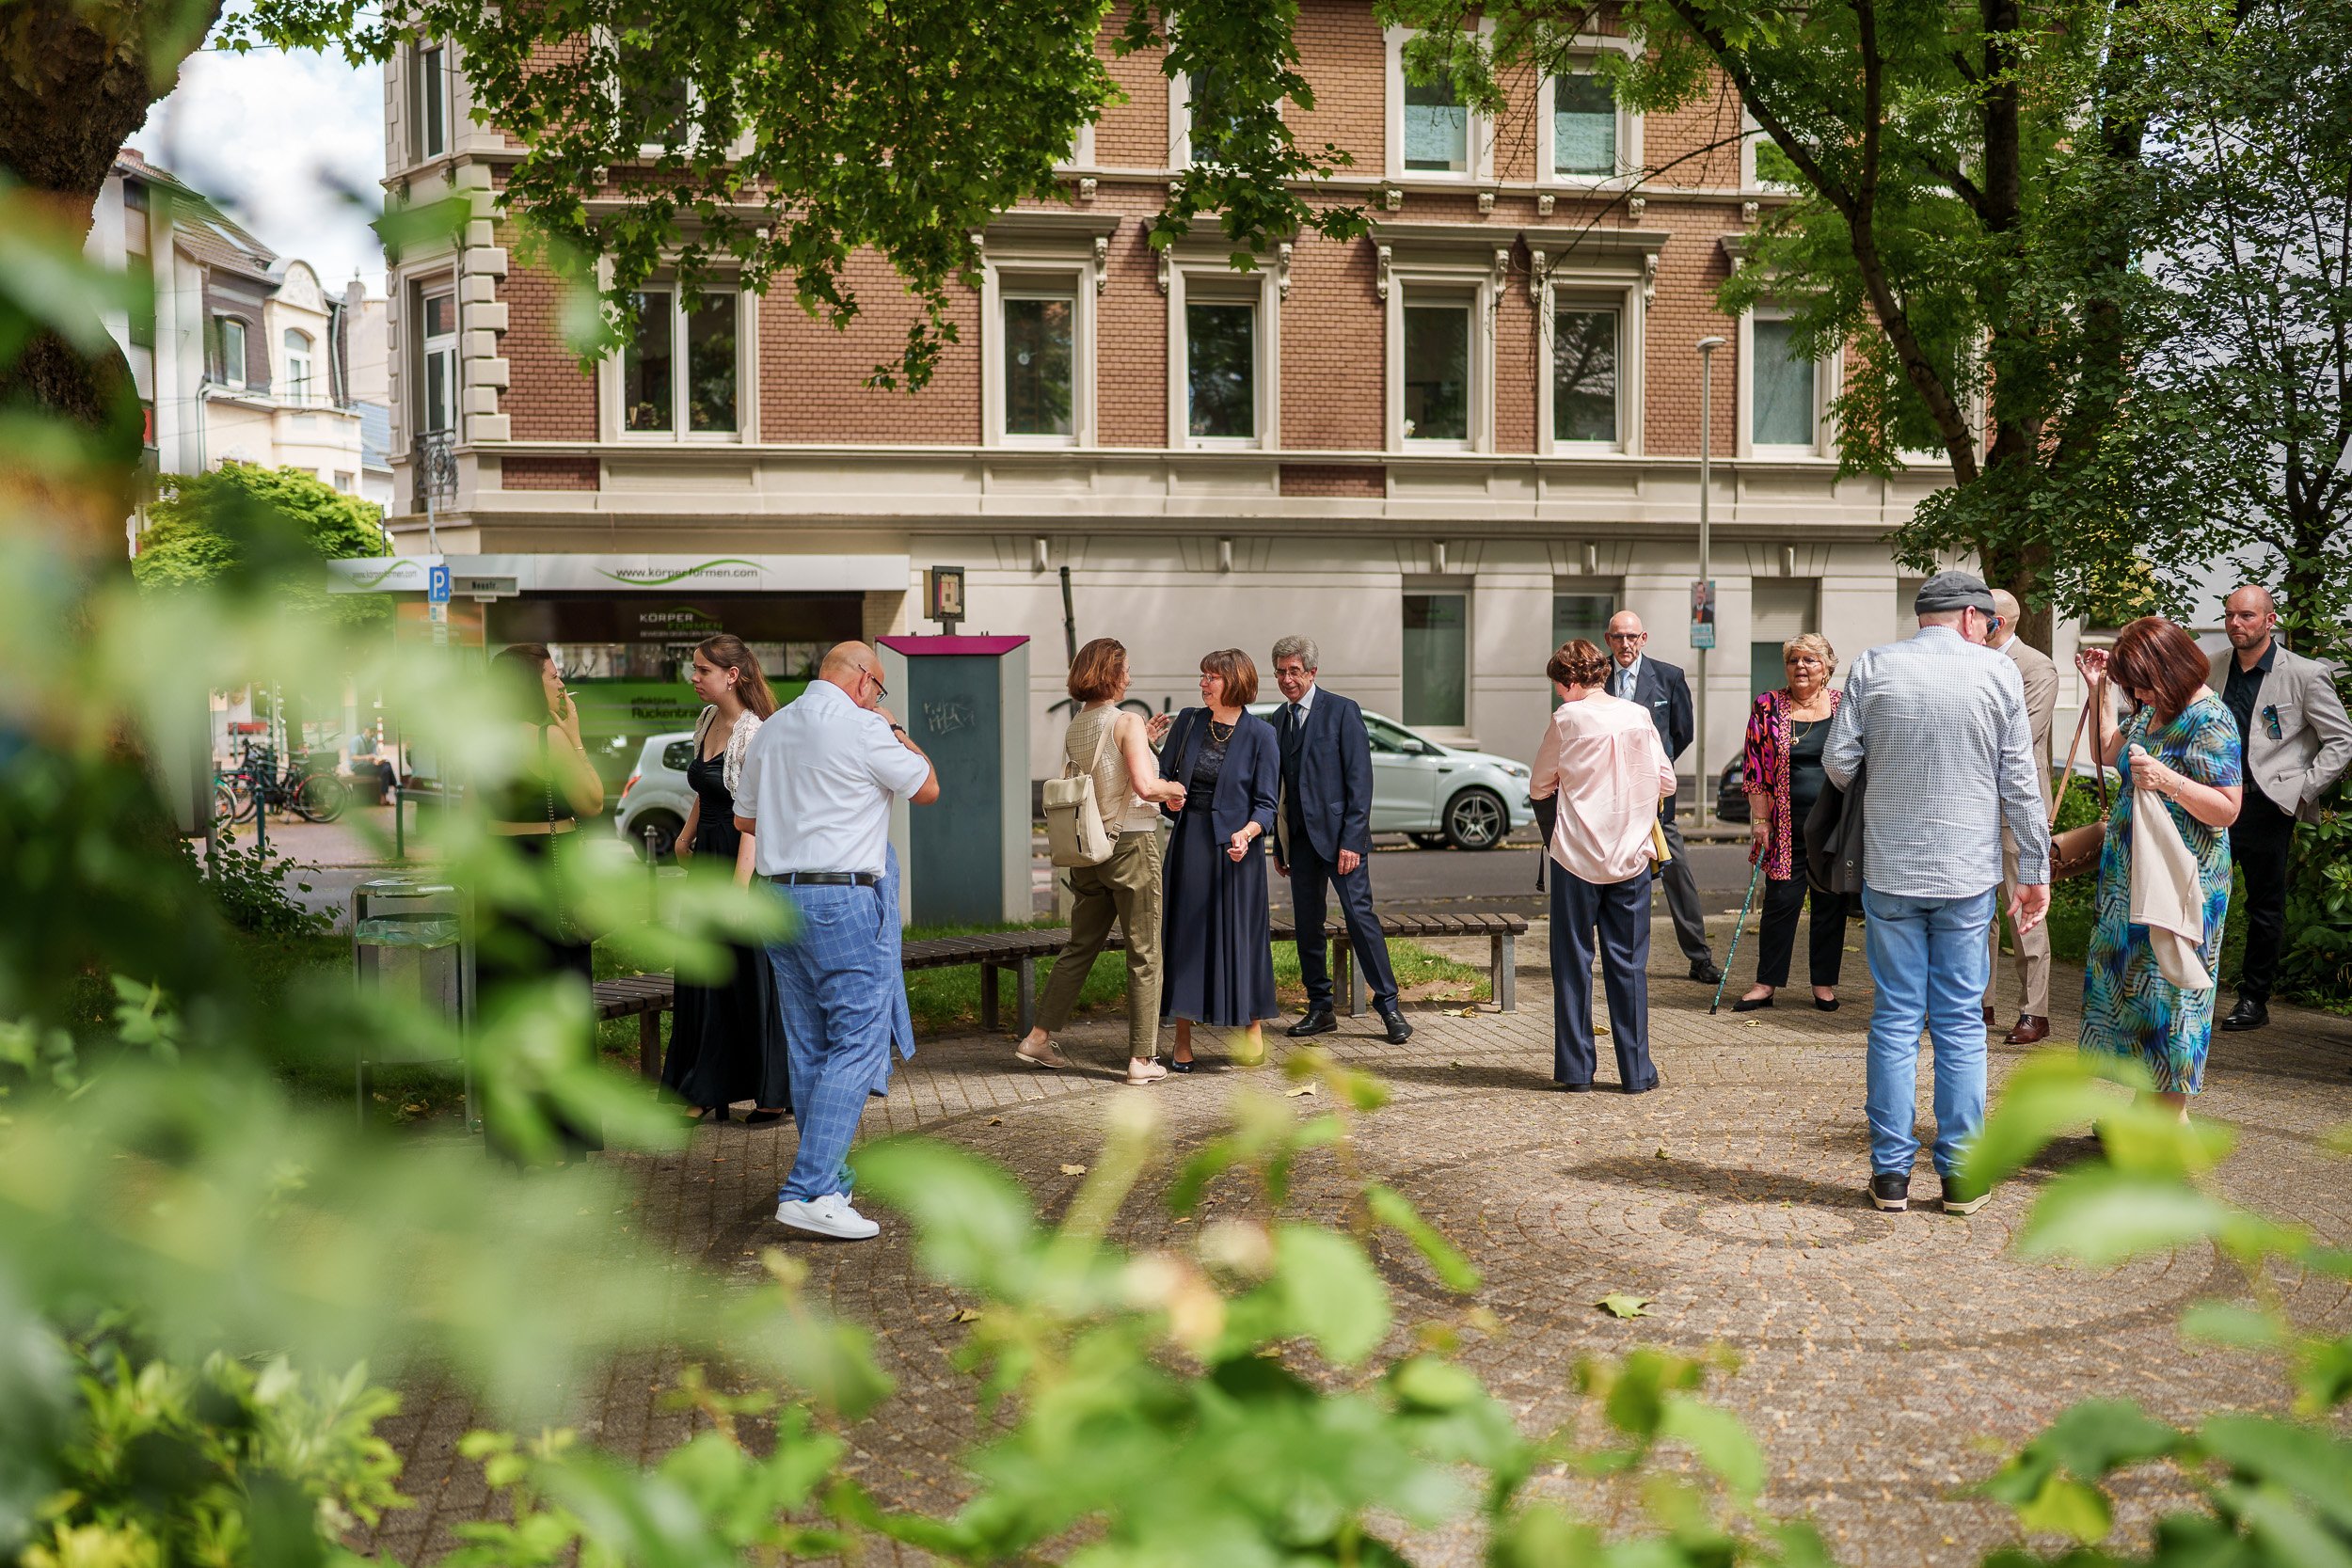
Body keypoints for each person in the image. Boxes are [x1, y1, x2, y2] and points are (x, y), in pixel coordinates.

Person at [1822, 571, 2048, 1216]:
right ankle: (1959, 1178)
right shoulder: (1995, 674)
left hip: (1891, 868)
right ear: (1974, 618)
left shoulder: (1873, 665)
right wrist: (2033, 869)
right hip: (1967, 873)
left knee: (1894, 1020)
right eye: (1993, 624)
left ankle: (1890, 1177)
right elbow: (2020, 781)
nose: (1993, 632)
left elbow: (1839, 764)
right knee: (1959, 1026)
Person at [735, 641, 940, 1242]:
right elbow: (927, 787)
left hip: (777, 896)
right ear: (864, 683)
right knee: (857, 1039)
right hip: (841, 899)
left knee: (811, 1048)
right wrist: (895, 728)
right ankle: (810, 1189)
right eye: (880, 690)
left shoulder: (772, 730)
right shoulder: (863, 727)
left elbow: (746, 820)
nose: (879, 699)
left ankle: (827, 1182)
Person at [2075, 618, 2244, 1117]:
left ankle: (2165, 1124)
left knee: (2174, 997)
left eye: (2141, 684)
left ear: (2169, 670)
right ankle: (2148, 1112)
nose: (2138, 695)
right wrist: (2099, 689)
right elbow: (2109, 752)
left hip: (2180, 879)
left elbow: (2227, 808)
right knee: (2135, 995)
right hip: (2130, 879)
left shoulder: (2208, 718)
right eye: (2132, 687)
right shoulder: (2153, 710)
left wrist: (2169, 780)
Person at [1013, 638, 1188, 1085]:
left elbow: (1101, 774)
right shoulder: (1126, 719)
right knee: (1145, 952)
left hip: (1089, 851)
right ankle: (1141, 1059)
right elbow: (1146, 788)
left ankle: (1038, 1037)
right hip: (1130, 845)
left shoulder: (1079, 723)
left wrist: (1143, 742)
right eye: (1125, 668)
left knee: (1080, 946)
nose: (1130, 676)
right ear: (1111, 673)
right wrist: (1177, 789)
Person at [1529, 638, 1677, 1094]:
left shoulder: (1566, 719)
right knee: (1628, 965)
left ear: (1571, 682)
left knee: (1572, 962)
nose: (1558, 693)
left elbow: (1539, 786)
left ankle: (1576, 1072)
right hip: (1632, 855)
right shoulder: (1638, 715)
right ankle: (1636, 1073)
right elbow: (1667, 782)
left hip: (1575, 857)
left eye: (1559, 685)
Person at [480, 642, 606, 1160]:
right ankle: (564, 1132)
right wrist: (574, 738)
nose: (560, 685)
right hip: (552, 877)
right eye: (553, 677)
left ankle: (511, 1135)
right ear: (530, 685)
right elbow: (592, 801)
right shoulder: (547, 736)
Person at [2209, 585, 2352, 1032]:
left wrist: (2301, 790)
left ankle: (2254, 1000)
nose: (2236, 624)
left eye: (2246, 616)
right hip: (2211, 801)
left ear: (2270, 620)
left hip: (2267, 806)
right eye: (2230, 616)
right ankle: (2193, 991)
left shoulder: (2305, 674)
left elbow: (2341, 740)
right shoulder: (2211, 668)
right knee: (2198, 899)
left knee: (2264, 906)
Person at [662, 635, 789, 1124]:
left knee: (745, 977)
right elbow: (708, 789)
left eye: (702, 671)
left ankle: (771, 1092)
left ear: (732, 676)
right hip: (708, 858)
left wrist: (740, 890)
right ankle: (700, 1085)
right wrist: (684, 836)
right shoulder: (707, 720)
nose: (694, 678)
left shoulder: (755, 732)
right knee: (701, 973)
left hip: (740, 858)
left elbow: (755, 813)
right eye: (694, 669)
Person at [1268, 635, 1414, 1046]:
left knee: (1360, 919)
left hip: (1341, 842)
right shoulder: (1279, 718)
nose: (1286, 679)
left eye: (1294, 671)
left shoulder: (1342, 711)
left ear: (1312, 672)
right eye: (1280, 672)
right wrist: (1280, 846)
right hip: (1299, 843)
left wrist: (1352, 839)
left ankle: (1389, 1007)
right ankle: (1321, 1007)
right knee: (1307, 926)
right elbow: (1281, 789)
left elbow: (1360, 781)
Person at [1156, 649, 1280, 1069]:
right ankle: (1182, 1040)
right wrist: (1168, 801)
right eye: (1202, 675)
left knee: (1241, 939)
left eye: (1211, 676)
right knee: (1186, 939)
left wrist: (1246, 835)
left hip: (1237, 853)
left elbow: (1266, 805)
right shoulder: (1189, 722)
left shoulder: (1262, 735)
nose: (1203, 683)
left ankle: (1252, 1031)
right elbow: (1162, 780)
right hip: (1190, 842)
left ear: (1234, 681)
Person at [1603, 612, 1724, 985]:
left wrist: (1654, 770)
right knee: (1603, 878)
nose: (1626, 645)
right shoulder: (1596, 677)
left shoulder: (1668, 677)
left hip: (1656, 802)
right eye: (1619, 638)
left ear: (1644, 638)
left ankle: (1699, 957)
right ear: (1609, 640)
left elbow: (1681, 733)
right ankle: (1603, 959)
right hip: (1607, 799)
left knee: (1677, 875)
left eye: (1633, 637)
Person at [1735, 634, 1849, 1011]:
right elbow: (1755, 768)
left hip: (1833, 824)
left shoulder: (1844, 705)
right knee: (1781, 902)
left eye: (1810, 660)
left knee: (1829, 904)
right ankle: (1766, 983)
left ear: (1827, 667)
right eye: (1794, 660)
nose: (1801, 667)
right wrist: (1761, 819)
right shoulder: (1767, 706)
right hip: (1785, 824)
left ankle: (1823, 984)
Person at [1981, 590, 2059, 1043]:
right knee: (1977, 911)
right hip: (1972, 804)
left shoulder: (2036, 666)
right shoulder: (1970, 662)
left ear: (2000, 623)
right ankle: (1980, 1003)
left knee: (2023, 908)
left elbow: (2024, 735)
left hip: (2016, 807)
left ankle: (2035, 1011)